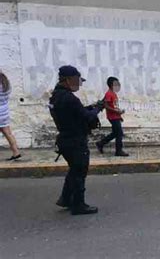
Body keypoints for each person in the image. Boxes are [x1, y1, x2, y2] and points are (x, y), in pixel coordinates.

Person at [49, 65, 102, 215]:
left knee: (73, 170)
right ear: (68, 80)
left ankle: (65, 199)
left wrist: (92, 107)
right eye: (77, 80)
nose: (79, 84)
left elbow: (75, 112)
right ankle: (78, 205)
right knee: (79, 172)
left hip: (65, 139)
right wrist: (98, 109)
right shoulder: (69, 98)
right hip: (75, 140)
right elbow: (86, 116)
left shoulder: (56, 96)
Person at [95, 77, 129, 157]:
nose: (118, 86)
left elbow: (114, 106)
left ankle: (100, 143)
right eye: (116, 84)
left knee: (115, 133)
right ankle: (118, 151)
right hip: (112, 117)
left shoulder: (113, 93)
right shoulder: (109, 94)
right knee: (119, 133)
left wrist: (119, 113)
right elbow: (106, 105)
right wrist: (117, 112)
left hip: (115, 116)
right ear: (111, 85)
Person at [0, 71, 22, 161]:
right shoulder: (5, 82)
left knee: (7, 133)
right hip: (4, 111)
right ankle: (16, 152)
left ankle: (16, 152)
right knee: (8, 133)